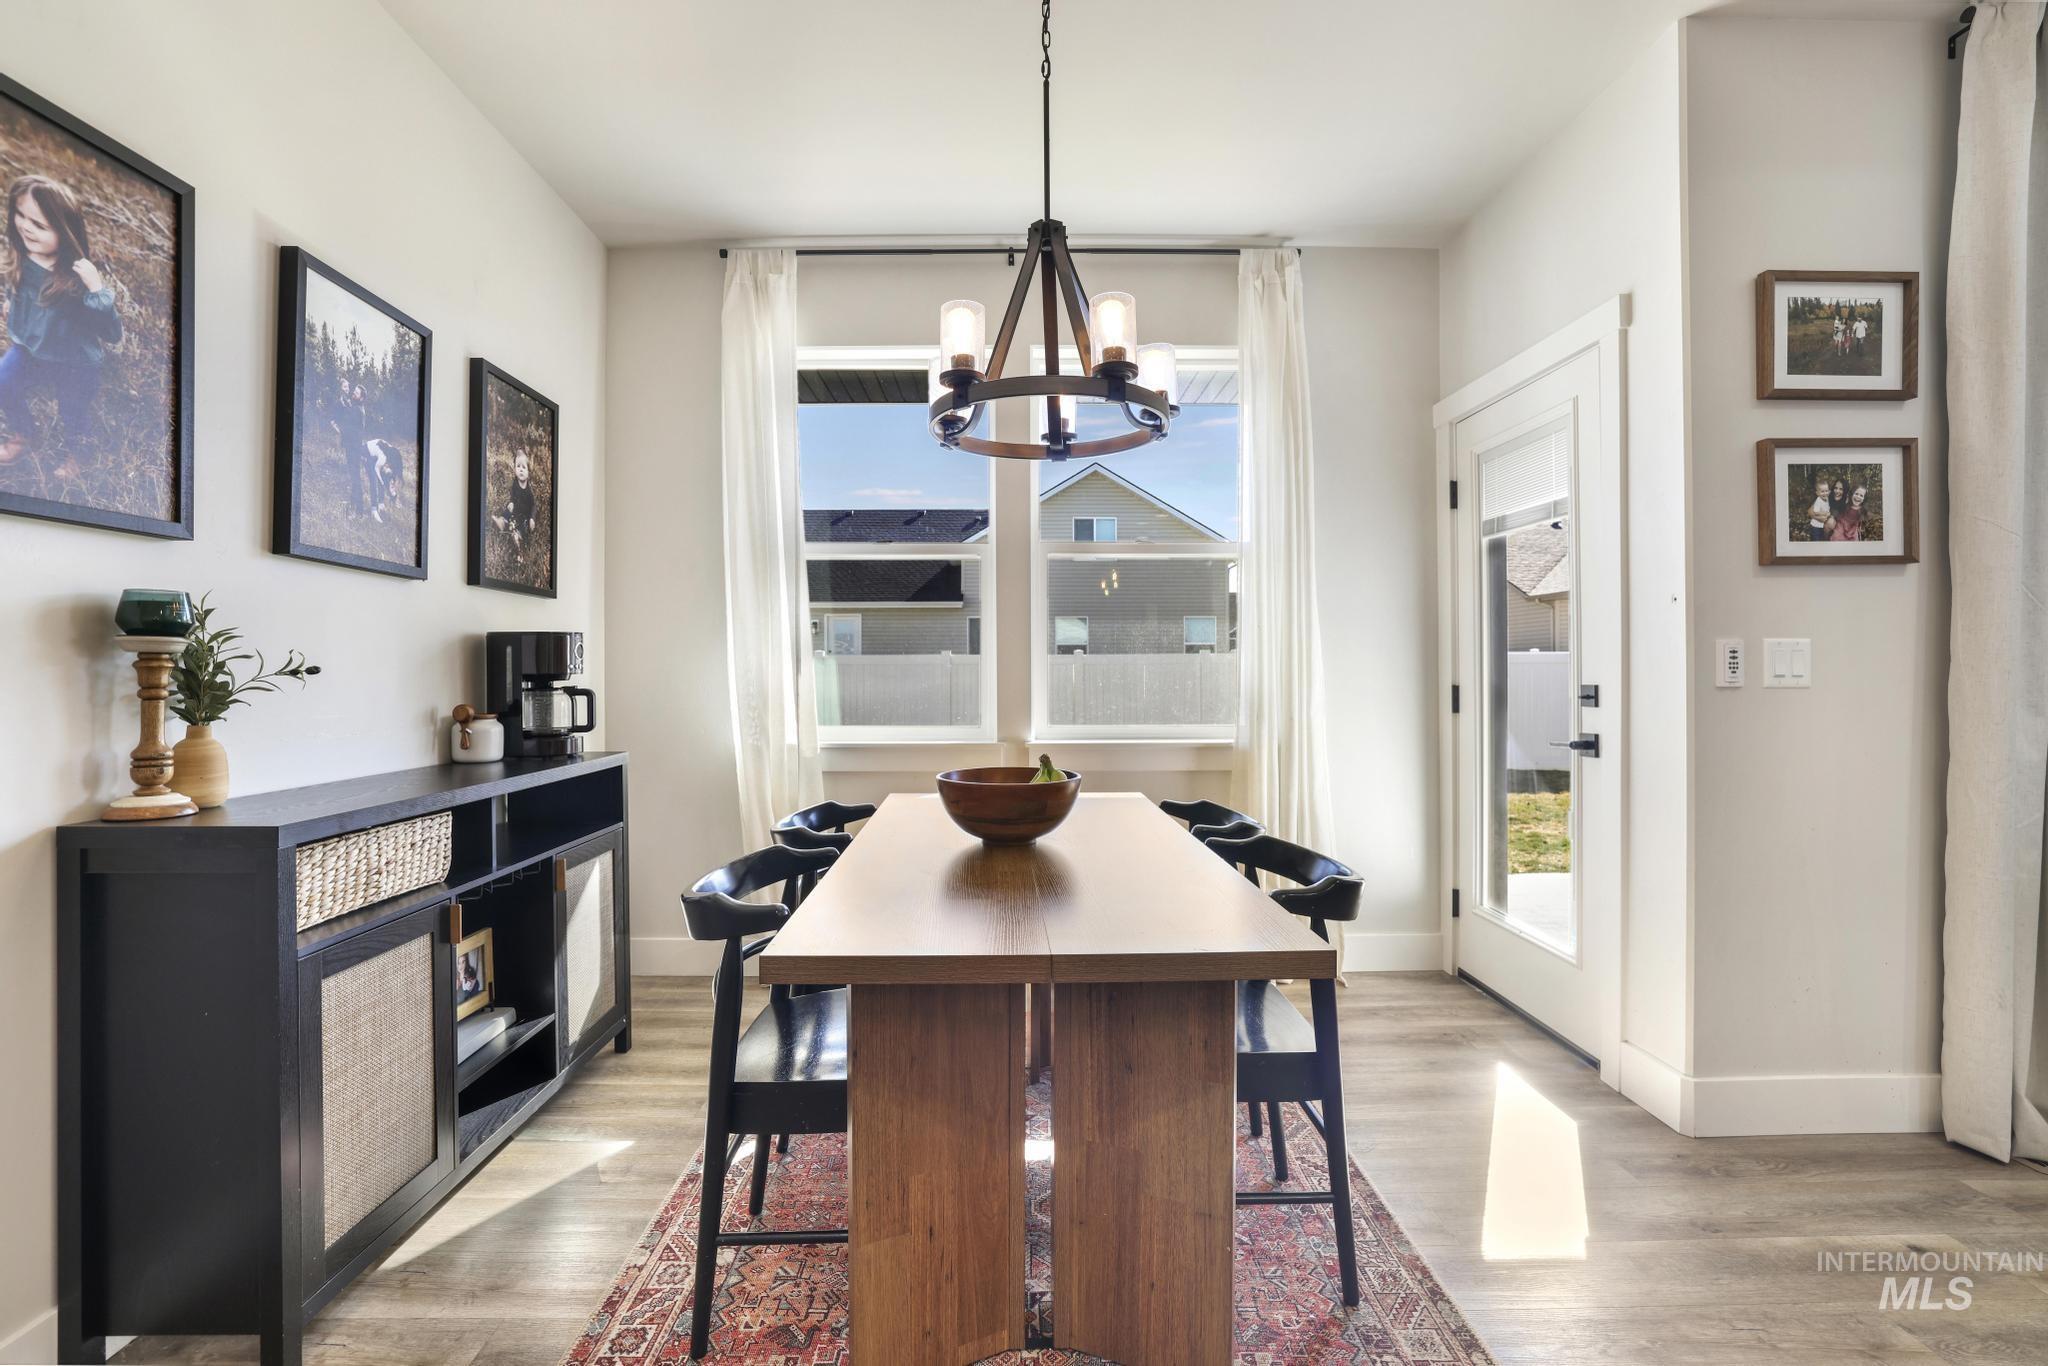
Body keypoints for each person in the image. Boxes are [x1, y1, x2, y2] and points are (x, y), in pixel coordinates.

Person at [0, 175, 123, 476]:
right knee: (2, 382)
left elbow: (112, 332)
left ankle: (79, 454)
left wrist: (97, 291)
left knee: (73, 410)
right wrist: (11, 304)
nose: (26, 227)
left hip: (74, 362)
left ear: (65, 232)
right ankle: (25, 432)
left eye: (39, 225)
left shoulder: (75, 277)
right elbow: (17, 289)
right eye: (21, 216)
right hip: (32, 349)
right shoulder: (20, 255)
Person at [492, 448, 538, 552]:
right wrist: (511, 502)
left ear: (528, 472)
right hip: (515, 513)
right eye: (518, 466)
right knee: (510, 508)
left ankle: (519, 547)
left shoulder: (529, 491)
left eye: (524, 467)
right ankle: (502, 522)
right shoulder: (515, 483)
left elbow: (534, 506)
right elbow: (513, 495)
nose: (521, 469)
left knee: (521, 529)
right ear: (514, 469)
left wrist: (532, 518)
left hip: (525, 517)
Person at [1807, 475, 1832, 541]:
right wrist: (1824, 514)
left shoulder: (1827, 499)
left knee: (1821, 539)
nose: (1825, 493)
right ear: (1817, 493)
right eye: (1822, 491)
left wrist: (1828, 513)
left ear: (1829, 491)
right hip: (1815, 526)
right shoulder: (1818, 500)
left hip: (1821, 526)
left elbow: (1827, 508)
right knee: (1816, 540)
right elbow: (1816, 511)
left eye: (1826, 491)